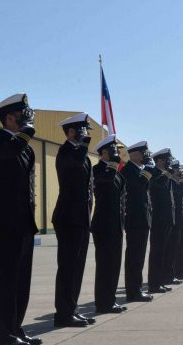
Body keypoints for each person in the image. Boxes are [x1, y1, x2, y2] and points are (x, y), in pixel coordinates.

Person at [0, 93, 39, 345]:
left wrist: (25, 137)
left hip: (24, 221)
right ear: (9, 117)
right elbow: (7, 156)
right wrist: (24, 135)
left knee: (21, 280)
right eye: (22, 115)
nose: (27, 120)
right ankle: (3, 335)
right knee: (6, 280)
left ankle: (16, 327)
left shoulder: (25, 147)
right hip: (5, 222)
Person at [52, 113, 95, 328]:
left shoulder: (82, 155)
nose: (86, 136)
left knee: (77, 267)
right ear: (70, 132)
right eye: (81, 131)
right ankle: (63, 314)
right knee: (68, 267)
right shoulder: (66, 152)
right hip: (68, 217)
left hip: (81, 217)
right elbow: (73, 168)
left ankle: (72, 309)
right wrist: (84, 147)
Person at [90, 134, 128, 314]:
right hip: (103, 223)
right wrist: (113, 165)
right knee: (105, 265)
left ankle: (110, 300)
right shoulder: (97, 170)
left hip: (116, 224)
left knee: (114, 264)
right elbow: (105, 182)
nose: (116, 153)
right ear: (103, 152)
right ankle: (103, 303)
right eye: (113, 150)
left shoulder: (117, 172)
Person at [121, 141, 154, 303]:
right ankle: (133, 291)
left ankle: (137, 289)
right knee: (134, 257)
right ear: (133, 154)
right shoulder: (128, 170)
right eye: (143, 153)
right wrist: (148, 168)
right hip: (134, 220)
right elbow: (140, 185)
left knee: (139, 257)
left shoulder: (139, 170)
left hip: (142, 219)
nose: (145, 156)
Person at [148, 148, 175, 294]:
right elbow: (154, 185)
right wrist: (167, 175)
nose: (168, 163)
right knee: (157, 253)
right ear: (159, 160)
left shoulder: (164, 175)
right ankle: (154, 284)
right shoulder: (153, 172)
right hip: (158, 219)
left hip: (165, 219)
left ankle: (159, 282)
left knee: (163, 253)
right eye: (166, 160)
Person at [165, 160, 183, 285]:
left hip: (177, 220)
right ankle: (168, 275)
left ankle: (173, 274)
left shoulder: (176, 183)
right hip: (171, 220)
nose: (179, 172)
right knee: (169, 250)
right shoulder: (170, 182)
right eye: (177, 169)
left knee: (175, 250)